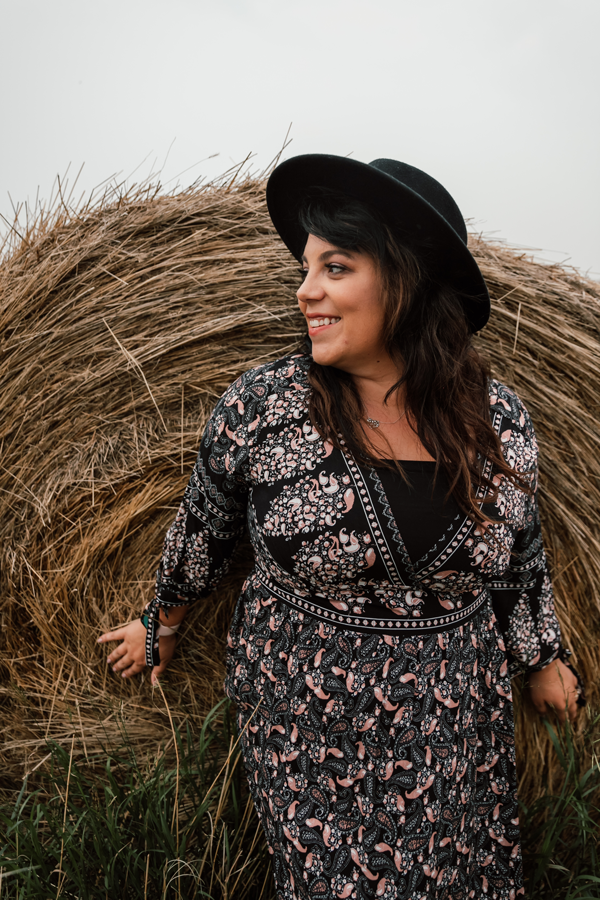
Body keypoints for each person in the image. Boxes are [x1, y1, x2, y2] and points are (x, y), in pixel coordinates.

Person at [99, 155, 582, 899]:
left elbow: (521, 553)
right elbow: (206, 526)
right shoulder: (267, 404)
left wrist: (540, 657)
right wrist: (158, 623)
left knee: (466, 880)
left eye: (335, 267)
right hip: (307, 706)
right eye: (305, 268)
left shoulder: (501, 417)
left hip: (456, 708)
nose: (306, 290)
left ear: (406, 279)